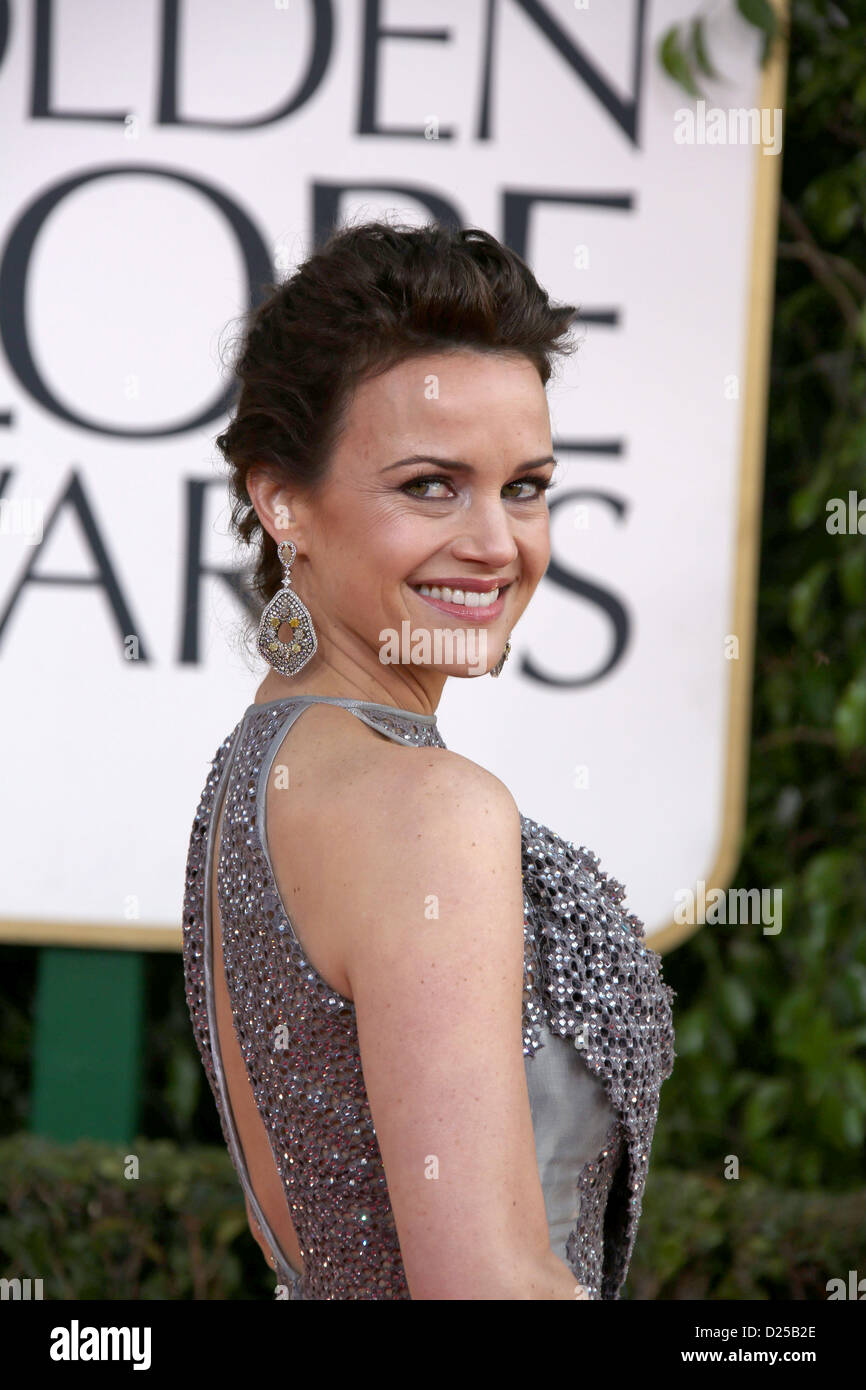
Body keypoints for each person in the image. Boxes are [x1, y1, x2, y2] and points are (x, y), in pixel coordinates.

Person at [181, 218, 676, 1300]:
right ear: (281, 501)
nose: (497, 543)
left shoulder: (261, 773)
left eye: (525, 485)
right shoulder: (425, 809)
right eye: (430, 486)